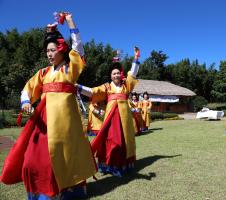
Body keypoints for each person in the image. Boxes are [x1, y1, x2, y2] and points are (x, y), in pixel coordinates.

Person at [0, 12, 96, 199]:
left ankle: (69, 192)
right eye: (47, 51)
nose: (50, 54)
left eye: (53, 50)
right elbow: (27, 89)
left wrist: (69, 21)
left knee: (67, 158)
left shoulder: (71, 69)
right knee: (33, 160)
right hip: (44, 123)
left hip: (66, 124)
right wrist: (26, 101)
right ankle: (42, 193)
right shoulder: (43, 73)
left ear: (61, 49)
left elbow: (79, 48)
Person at [77, 47, 140, 177]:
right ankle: (109, 166)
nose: (116, 75)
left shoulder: (126, 86)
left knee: (124, 142)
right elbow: (93, 91)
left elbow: (132, 74)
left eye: (118, 73)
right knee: (112, 142)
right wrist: (78, 87)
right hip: (111, 120)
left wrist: (136, 59)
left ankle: (123, 166)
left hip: (125, 121)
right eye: (113, 73)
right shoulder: (106, 87)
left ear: (121, 74)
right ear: (110, 75)